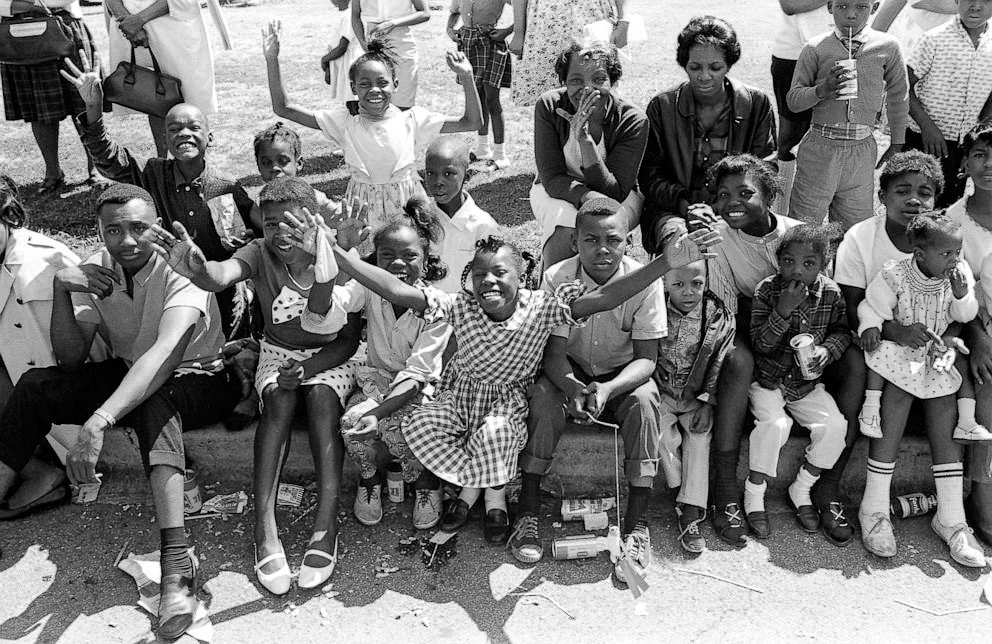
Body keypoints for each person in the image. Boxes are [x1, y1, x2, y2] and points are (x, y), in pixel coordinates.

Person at [316, 219, 720, 554]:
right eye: (479, 275)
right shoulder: (461, 305)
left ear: (522, 277)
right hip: (462, 395)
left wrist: (664, 264)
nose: (488, 282)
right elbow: (396, 289)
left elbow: (605, 297)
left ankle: (477, 498)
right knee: (421, 424)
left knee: (496, 433)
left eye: (499, 273)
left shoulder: (542, 307)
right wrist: (339, 256)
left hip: (505, 403)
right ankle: (477, 494)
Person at [0, 184, 242, 639]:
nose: (127, 241)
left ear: (156, 227)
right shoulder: (100, 267)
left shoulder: (180, 266)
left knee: (155, 396)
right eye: (114, 230)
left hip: (202, 378)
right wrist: (61, 289)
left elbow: (165, 355)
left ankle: (177, 564)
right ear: (100, 231)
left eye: (138, 228)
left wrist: (99, 421)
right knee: (36, 387)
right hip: (132, 373)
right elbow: (71, 359)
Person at [149, 178, 363, 594]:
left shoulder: (334, 254)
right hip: (278, 351)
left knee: (321, 399)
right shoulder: (259, 253)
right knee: (278, 400)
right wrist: (199, 269)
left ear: (314, 221)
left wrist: (311, 367)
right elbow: (221, 274)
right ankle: (264, 526)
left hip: (332, 358)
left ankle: (326, 523)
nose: (280, 234)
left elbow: (348, 339)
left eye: (291, 223)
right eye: (269, 225)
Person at [511, 198, 666, 585]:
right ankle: (528, 509)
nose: (602, 250)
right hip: (571, 372)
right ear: (575, 242)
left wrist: (609, 388)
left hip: (622, 375)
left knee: (646, 402)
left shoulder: (645, 280)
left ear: (627, 242)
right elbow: (552, 353)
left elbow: (647, 359)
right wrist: (574, 387)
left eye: (612, 240)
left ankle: (637, 525)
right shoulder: (557, 277)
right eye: (591, 240)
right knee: (544, 398)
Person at [61, 51, 256, 338]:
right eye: (174, 129)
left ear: (210, 138)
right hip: (165, 287)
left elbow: (249, 241)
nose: (184, 134)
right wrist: (92, 106)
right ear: (164, 137)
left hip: (219, 290)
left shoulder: (226, 187)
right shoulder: (152, 173)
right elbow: (106, 156)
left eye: (194, 127)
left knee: (228, 352)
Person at [263, 23, 483, 255]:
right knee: (367, 270)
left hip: (407, 206)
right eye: (365, 84)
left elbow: (472, 122)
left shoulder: (413, 120)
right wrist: (272, 59)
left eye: (382, 82)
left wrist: (467, 76)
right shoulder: (345, 122)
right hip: (362, 210)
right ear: (353, 87)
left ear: (395, 85)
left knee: (410, 262)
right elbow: (283, 108)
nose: (374, 90)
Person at [857, 212, 986, 567]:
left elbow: (964, 316)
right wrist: (882, 328)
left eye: (957, 252)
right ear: (919, 253)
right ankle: (875, 509)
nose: (955, 260)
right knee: (895, 403)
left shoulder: (956, 278)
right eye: (946, 254)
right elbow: (873, 309)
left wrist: (962, 295)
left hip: (936, 357)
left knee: (944, 406)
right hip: (901, 358)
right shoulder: (894, 274)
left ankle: (950, 517)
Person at [323, 214, 451, 530]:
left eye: (410, 256)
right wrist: (339, 250)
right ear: (374, 258)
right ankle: (371, 479)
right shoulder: (368, 290)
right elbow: (335, 302)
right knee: (352, 421)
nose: (398, 264)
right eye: (387, 256)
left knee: (419, 424)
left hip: (420, 388)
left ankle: (426, 482)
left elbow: (417, 374)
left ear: (426, 259)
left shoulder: (436, 304)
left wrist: (379, 413)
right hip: (377, 381)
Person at [0, 176, 101, 519]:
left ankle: (39, 473)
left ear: (7, 214)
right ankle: (34, 473)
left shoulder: (43, 261)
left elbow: (70, 355)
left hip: (59, 391)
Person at [639, 15, 776, 256]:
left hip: (736, 206)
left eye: (715, 67)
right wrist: (686, 206)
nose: (704, 76)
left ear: (729, 65)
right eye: (695, 67)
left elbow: (765, 170)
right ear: (684, 64)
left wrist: (725, 205)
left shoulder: (755, 104)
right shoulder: (663, 107)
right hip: (673, 209)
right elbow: (650, 176)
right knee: (681, 248)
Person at [745, 224, 850, 539]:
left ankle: (801, 487)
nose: (797, 270)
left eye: (808, 264)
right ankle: (754, 494)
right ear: (779, 260)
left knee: (836, 427)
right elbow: (760, 344)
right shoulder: (767, 290)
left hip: (807, 384)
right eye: (788, 261)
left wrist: (826, 351)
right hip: (769, 380)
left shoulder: (830, 293)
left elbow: (842, 331)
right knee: (776, 425)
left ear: (822, 265)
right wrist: (782, 310)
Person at [787, 0, 909, 228]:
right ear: (829, 6)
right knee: (803, 224)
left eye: (861, 7)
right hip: (820, 148)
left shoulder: (888, 47)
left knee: (855, 228)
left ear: (874, 8)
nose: (851, 15)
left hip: (861, 151)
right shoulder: (815, 48)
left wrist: (897, 142)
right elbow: (794, 101)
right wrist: (821, 90)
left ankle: (845, 264)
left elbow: (899, 95)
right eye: (843, 6)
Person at [532, 40, 648, 269]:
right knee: (566, 227)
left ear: (612, 81)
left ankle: (606, 296)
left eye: (598, 79)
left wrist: (584, 140)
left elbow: (614, 191)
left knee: (603, 233)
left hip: (619, 196)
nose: (587, 89)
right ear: (563, 81)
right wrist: (586, 197)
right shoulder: (549, 105)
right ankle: (551, 295)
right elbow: (552, 178)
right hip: (558, 190)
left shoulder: (632, 120)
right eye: (576, 80)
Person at [655, 259, 735, 554]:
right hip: (663, 392)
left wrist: (707, 402)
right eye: (678, 284)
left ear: (707, 281)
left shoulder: (715, 316)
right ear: (664, 283)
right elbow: (641, 342)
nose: (688, 292)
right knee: (661, 433)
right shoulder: (655, 306)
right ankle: (679, 489)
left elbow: (718, 361)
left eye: (696, 284)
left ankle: (690, 511)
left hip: (696, 397)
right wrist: (652, 370)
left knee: (699, 440)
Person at [0, 0, 104, 194]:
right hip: (18, 31)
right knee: (38, 109)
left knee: (84, 101)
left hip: (63, 24)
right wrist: (26, 6)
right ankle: (52, 171)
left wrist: (26, 3)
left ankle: (97, 166)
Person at [103, 0, 219, 157]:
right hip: (130, 26)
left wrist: (139, 19)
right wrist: (127, 20)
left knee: (190, 98)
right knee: (155, 96)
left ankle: (197, 164)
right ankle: (163, 164)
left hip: (175, 26)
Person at [904, 0, 992, 207]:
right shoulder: (934, 39)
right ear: (956, 1)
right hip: (924, 141)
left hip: (961, 147)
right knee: (915, 204)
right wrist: (927, 127)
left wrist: (975, 142)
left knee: (947, 209)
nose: (976, 6)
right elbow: (903, 88)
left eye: (985, 1)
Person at [960, 121, 992, 544]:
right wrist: (979, 336)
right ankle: (982, 495)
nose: (990, 165)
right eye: (981, 155)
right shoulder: (951, 222)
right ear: (966, 163)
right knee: (988, 383)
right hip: (976, 329)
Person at [414, 136, 499, 293]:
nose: (438, 181)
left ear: (466, 177)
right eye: (430, 173)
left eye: (448, 173)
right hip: (424, 310)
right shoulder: (419, 220)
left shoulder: (483, 226)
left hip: (468, 312)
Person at [770, 1, 832, 213]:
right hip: (791, 55)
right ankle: (780, 211)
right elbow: (790, 4)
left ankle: (816, 216)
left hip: (836, 53)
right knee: (790, 137)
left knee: (831, 135)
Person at [507, 0, 629, 106]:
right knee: (551, 99)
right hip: (546, 28)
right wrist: (518, 32)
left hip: (591, 19)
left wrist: (624, 21)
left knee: (597, 88)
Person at [447, 0, 512, 168]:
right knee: (477, 98)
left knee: (492, 100)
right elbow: (454, 12)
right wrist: (450, 29)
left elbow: (524, 11)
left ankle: (500, 154)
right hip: (468, 45)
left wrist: (506, 31)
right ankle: (483, 148)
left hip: (490, 44)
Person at [250, 122, 341, 232]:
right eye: (266, 163)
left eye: (282, 161)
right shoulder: (259, 206)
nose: (274, 168)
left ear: (298, 163)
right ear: (259, 167)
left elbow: (341, 219)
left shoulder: (315, 199)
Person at [351, 0, 430, 109]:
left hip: (402, 44)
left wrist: (393, 23)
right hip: (372, 44)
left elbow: (424, 13)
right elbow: (355, 16)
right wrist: (362, 42)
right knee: (374, 99)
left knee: (403, 101)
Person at [322, 0, 363, 102]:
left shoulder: (349, 15)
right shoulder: (340, 14)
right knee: (347, 97)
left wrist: (325, 59)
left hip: (349, 62)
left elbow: (342, 46)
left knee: (352, 97)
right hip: (340, 61)